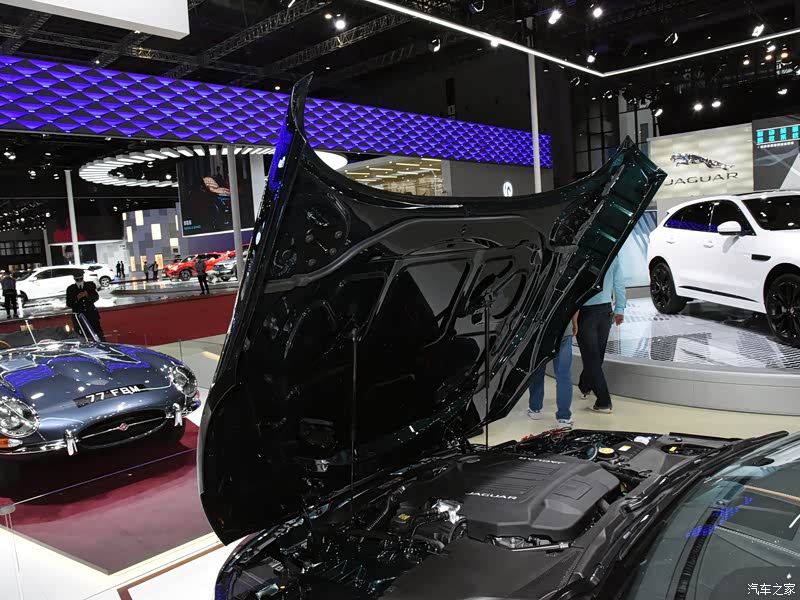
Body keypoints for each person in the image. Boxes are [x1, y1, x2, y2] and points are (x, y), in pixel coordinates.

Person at [577, 256, 626, 414]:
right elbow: (619, 282)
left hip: (586, 312)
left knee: (592, 357)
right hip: (605, 310)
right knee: (596, 356)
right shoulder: (613, 254)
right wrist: (619, 309)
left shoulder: (584, 253)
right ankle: (585, 386)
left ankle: (603, 401)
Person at [527, 311, 579, 427]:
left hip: (541, 330)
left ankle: (535, 409)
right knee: (563, 376)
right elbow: (575, 304)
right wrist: (574, 321)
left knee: (538, 370)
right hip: (564, 330)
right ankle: (564, 417)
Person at [66, 271, 104, 341]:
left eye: (80, 279)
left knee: (98, 333)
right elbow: (69, 303)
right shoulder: (71, 289)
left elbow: (96, 297)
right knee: (82, 335)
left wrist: (87, 295)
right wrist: (77, 298)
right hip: (79, 316)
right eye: (77, 279)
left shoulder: (90, 285)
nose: (79, 281)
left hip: (91, 315)